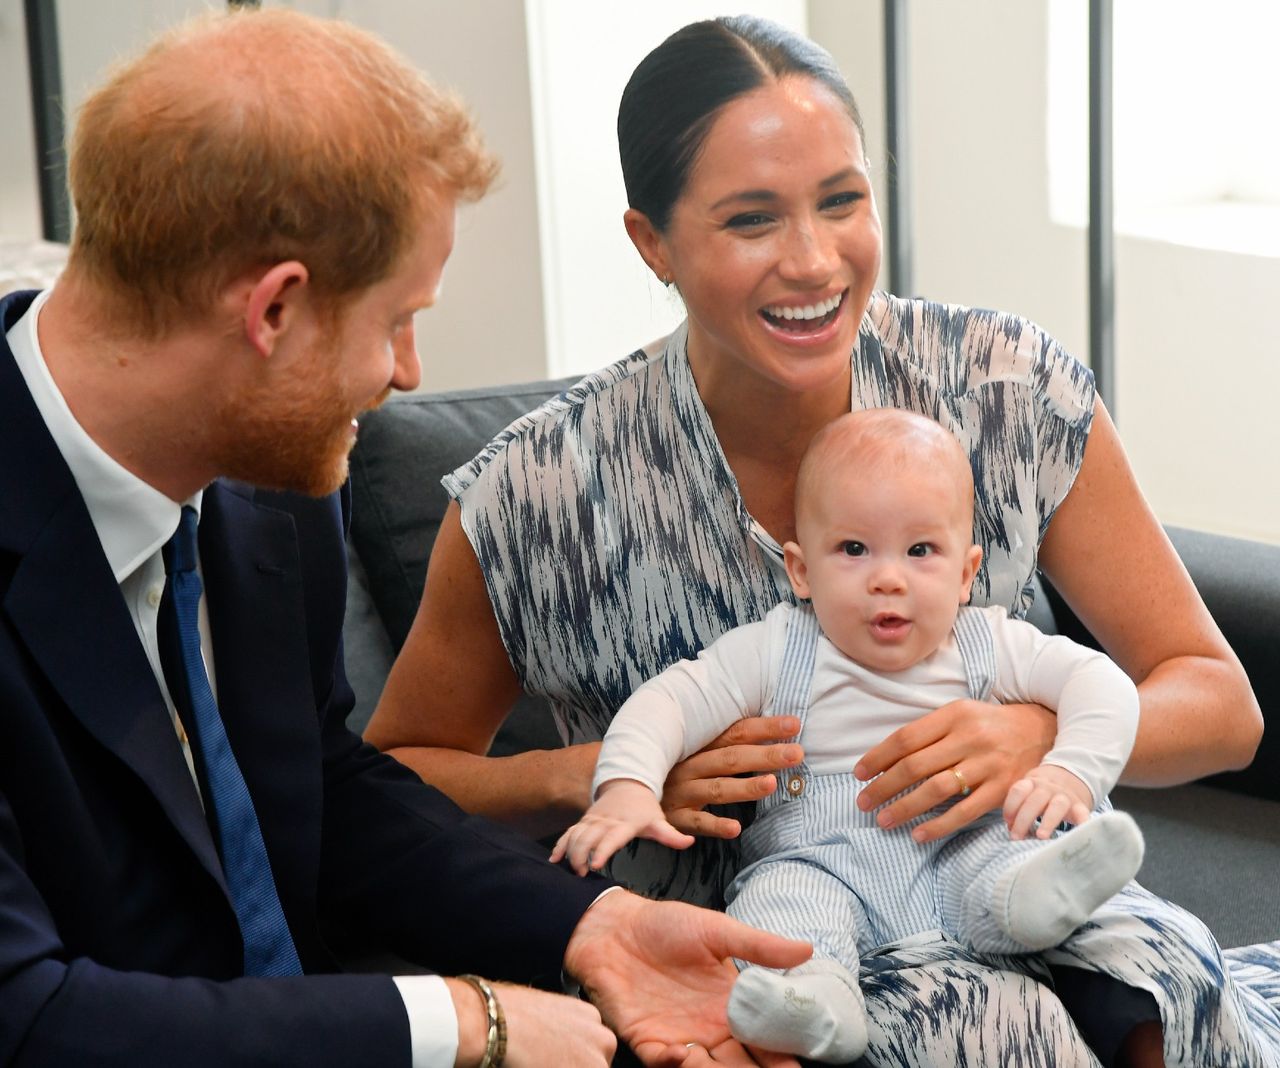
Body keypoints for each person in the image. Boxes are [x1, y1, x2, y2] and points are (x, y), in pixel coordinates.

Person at [367, 13, 1280, 1067]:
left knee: (1168, 980)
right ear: (650, 242)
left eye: (841, 201)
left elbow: (1218, 703)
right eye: (751, 220)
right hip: (744, 960)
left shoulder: (1004, 389)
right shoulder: (536, 493)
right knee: (988, 1030)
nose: (812, 261)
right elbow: (389, 778)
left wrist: (1035, 736)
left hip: (1013, 885)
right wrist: (587, 775)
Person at [0, 10, 820, 1067]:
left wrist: (591, 926)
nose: (409, 373)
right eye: (397, 320)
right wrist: (461, 1022)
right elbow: (28, 1019)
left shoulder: (272, 490)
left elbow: (323, 789)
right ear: (275, 311)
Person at [554, 407, 1156, 1062]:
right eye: (853, 549)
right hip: (820, 860)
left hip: (959, 841)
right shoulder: (776, 649)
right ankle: (816, 1003)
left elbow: (1100, 683)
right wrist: (627, 786)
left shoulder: (987, 643)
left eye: (920, 550)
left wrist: (1071, 771)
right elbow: (669, 700)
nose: (888, 577)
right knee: (778, 910)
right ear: (801, 570)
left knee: (1008, 854)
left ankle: (1036, 901)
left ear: (964, 573)